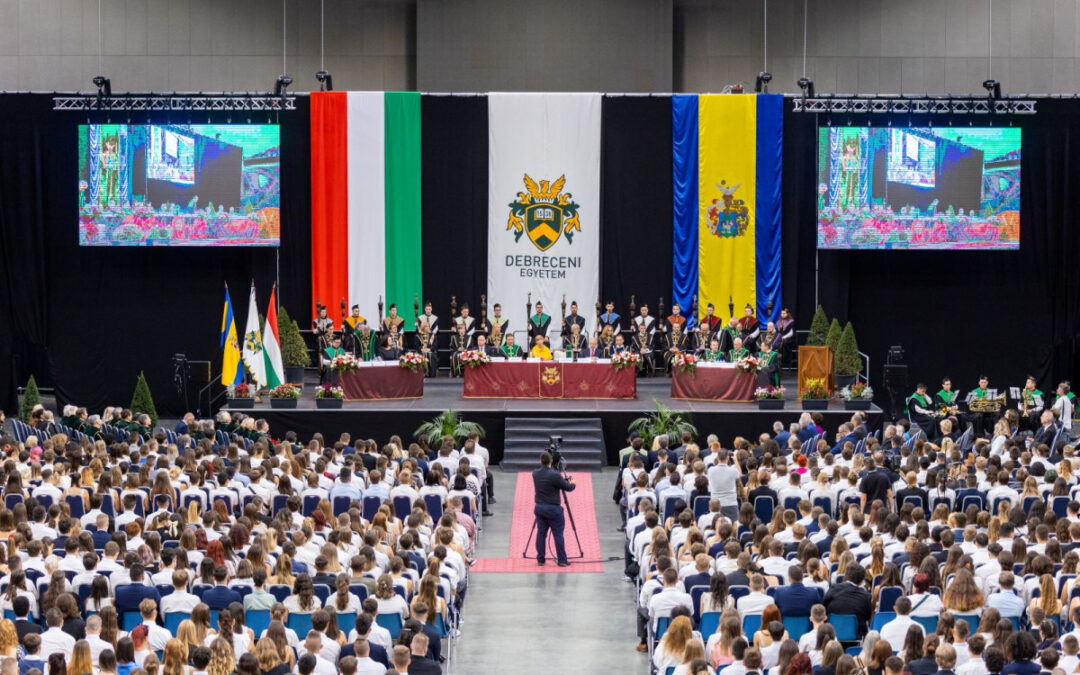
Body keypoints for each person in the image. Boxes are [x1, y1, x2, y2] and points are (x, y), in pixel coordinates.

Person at [532, 451, 576, 567]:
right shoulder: (555, 475)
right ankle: (562, 560)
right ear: (551, 461)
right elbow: (568, 488)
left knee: (541, 533)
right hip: (553, 509)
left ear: (541, 461)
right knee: (558, 534)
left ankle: (540, 559)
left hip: (539, 507)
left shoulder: (535, 473)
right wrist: (573, 483)